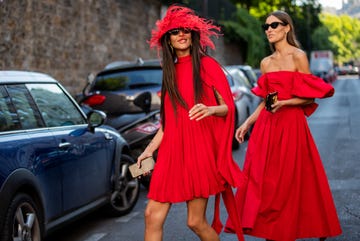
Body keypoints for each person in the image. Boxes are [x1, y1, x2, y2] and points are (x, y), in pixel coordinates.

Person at [225, 10, 342, 241]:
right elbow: (267, 100)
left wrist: (286, 102)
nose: (269, 29)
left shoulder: (298, 56)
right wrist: (247, 123)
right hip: (267, 128)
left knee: (291, 182)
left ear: (287, 28)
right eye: (266, 26)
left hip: (292, 126)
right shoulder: (266, 63)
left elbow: (309, 97)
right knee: (265, 183)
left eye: (274, 25)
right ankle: (272, 231)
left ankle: (296, 227)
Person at [137, 4, 246, 241]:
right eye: (175, 32)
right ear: (167, 39)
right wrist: (148, 151)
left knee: (195, 222)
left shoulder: (208, 66)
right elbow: (167, 124)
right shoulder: (169, 73)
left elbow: (227, 107)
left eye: (186, 30)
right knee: (151, 215)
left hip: (198, 152)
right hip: (170, 154)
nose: (181, 35)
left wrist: (210, 109)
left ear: (193, 34)